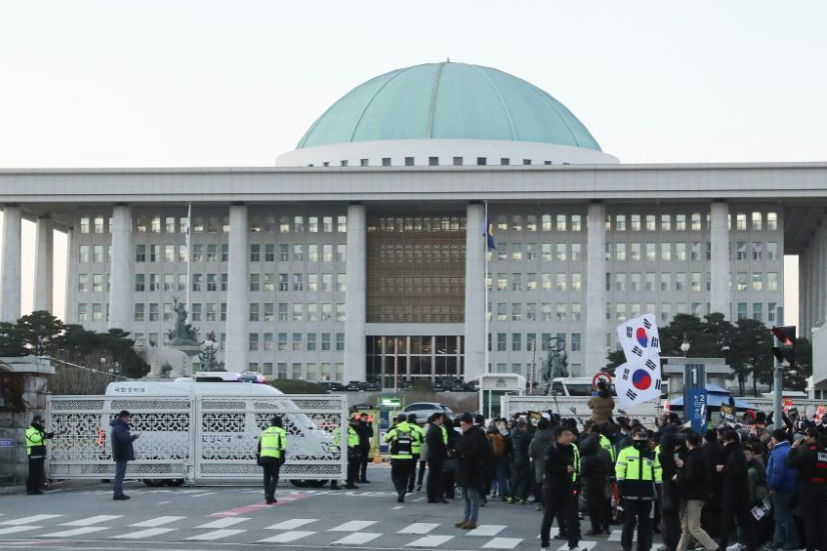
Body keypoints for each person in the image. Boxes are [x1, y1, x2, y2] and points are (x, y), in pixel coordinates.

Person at [616, 425, 659, 551]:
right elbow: (620, 467)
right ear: (632, 436)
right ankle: (626, 546)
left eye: (644, 435)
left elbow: (657, 468)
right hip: (630, 490)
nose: (642, 438)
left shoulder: (651, 453)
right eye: (639, 435)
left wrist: (658, 483)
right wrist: (620, 480)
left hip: (646, 491)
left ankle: (643, 547)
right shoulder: (625, 452)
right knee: (629, 521)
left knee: (645, 523)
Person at [786, 422, 827, 551]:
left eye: (806, 436)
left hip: (808, 488)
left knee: (809, 521)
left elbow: (789, 464)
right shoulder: (824, 453)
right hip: (822, 488)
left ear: (813, 437)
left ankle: (811, 547)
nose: (803, 438)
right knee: (822, 520)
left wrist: (793, 448)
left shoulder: (806, 453)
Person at [540, 425, 581, 551]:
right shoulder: (551, 450)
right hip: (553, 487)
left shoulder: (570, 448)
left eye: (570, 435)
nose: (569, 437)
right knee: (549, 516)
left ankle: (573, 545)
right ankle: (545, 544)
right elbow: (547, 467)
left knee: (571, 517)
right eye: (566, 435)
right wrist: (564, 469)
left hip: (567, 487)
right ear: (558, 437)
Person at [674, 430, 717, 551]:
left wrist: (679, 475)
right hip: (696, 494)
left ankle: (714, 547)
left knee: (693, 527)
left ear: (687, 442)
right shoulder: (700, 455)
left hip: (695, 495)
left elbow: (691, 477)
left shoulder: (694, 457)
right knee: (686, 528)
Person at [717, 429, 756, 551]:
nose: (723, 443)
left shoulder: (735, 453)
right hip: (739, 494)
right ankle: (751, 546)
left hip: (733, 495)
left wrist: (723, 469)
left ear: (731, 440)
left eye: (725, 440)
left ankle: (722, 546)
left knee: (727, 522)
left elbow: (737, 472)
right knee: (744, 522)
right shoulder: (737, 452)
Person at [454, 413, 492, 530]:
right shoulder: (467, 434)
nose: (462, 427)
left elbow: (477, 452)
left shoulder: (476, 435)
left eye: (464, 425)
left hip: (473, 469)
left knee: (472, 496)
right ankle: (466, 518)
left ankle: (472, 520)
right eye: (461, 425)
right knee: (465, 495)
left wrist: (463, 453)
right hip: (465, 468)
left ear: (470, 423)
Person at [765, 429, 798, 551]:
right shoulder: (787, 449)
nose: (771, 440)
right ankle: (778, 541)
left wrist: (772, 486)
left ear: (776, 438)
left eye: (772, 438)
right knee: (779, 516)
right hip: (789, 486)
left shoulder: (779, 452)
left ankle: (791, 542)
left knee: (783, 516)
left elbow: (777, 471)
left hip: (781, 488)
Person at [579, 433, 613, 536]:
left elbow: (584, 473)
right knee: (604, 506)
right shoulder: (605, 453)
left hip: (591, 485)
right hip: (604, 482)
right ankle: (606, 526)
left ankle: (596, 528)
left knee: (593, 508)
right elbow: (610, 466)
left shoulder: (586, 458)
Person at [384, 413, 418, 502]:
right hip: (408, 458)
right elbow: (417, 438)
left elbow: (385, 439)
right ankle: (404, 489)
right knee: (405, 476)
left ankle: (400, 490)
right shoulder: (411, 430)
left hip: (396, 458)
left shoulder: (394, 430)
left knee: (395, 476)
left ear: (398, 420)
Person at [110, 410, 139, 501]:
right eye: (128, 417)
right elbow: (124, 439)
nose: (128, 419)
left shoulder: (118, 426)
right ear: (123, 417)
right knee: (120, 475)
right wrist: (134, 436)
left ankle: (119, 493)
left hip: (120, 452)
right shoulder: (119, 427)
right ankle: (117, 493)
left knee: (120, 474)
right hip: (121, 453)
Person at [257, 415, 287, 504]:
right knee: (275, 476)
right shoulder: (281, 431)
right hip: (274, 456)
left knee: (266, 477)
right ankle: (270, 494)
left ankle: (268, 497)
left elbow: (259, 446)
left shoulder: (264, 431)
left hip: (263, 456)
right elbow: (283, 446)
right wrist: (282, 457)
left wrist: (258, 458)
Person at [529, 418, 555, 511]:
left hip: (539, 464)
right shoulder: (553, 437)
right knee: (551, 483)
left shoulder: (535, 440)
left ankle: (539, 502)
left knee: (538, 484)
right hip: (552, 463)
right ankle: (550, 503)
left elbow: (531, 453)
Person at [25, 414, 54, 495]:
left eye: (42, 422)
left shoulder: (42, 429)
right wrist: (44, 435)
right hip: (33, 453)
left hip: (41, 453)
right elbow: (34, 439)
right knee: (33, 473)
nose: (41, 423)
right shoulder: (29, 429)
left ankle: (37, 489)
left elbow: (47, 434)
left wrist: (50, 435)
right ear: (35, 421)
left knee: (39, 472)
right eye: (40, 421)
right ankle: (30, 490)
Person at [426, 412, 448, 504]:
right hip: (437, 456)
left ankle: (431, 496)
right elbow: (440, 443)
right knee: (439, 476)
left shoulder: (430, 428)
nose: (442, 421)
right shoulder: (437, 429)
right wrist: (446, 451)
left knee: (432, 476)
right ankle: (439, 496)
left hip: (431, 455)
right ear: (437, 419)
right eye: (441, 419)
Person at [509, 419, 532, 504]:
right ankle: (523, 497)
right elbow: (530, 443)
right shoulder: (524, 436)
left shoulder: (512, 434)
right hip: (524, 458)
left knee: (516, 478)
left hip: (515, 459)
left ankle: (511, 496)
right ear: (522, 427)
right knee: (525, 479)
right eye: (525, 427)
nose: (526, 428)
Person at [487, 421, 511, 501]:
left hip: (491, 458)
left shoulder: (488, 437)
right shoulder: (502, 437)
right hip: (502, 458)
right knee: (501, 476)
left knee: (489, 476)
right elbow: (509, 444)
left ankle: (486, 493)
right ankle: (503, 494)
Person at [407, 413, 425, 493]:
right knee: (412, 469)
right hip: (416, 452)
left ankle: (403, 485)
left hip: (405, 451)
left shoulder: (403, 427)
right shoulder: (419, 429)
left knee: (404, 469)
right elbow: (423, 440)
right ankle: (411, 486)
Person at [356, 413, 373, 484]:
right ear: (361, 418)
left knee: (364, 463)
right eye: (364, 418)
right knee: (357, 463)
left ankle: (363, 477)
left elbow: (371, 435)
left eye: (367, 418)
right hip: (359, 446)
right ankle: (356, 478)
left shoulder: (367, 426)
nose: (366, 419)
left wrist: (370, 426)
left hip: (366, 446)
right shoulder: (357, 426)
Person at [345, 416, 361, 489]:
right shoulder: (349, 428)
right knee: (352, 467)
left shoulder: (353, 429)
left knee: (354, 467)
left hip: (354, 449)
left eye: (357, 421)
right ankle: (349, 483)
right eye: (354, 421)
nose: (356, 423)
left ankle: (350, 482)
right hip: (350, 449)